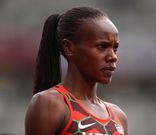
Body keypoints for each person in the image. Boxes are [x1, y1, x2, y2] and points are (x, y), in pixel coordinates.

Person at [25, 6, 128, 135]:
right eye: (102, 46)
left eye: (115, 48)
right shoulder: (50, 104)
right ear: (68, 47)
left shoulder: (119, 116)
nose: (113, 56)